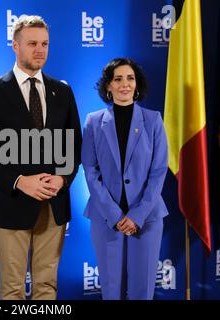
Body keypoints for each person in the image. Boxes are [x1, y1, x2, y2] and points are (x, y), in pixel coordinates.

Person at [0, 15, 82, 300]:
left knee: (47, 287)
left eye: (44, 43)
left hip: (54, 204)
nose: (40, 50)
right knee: (12, 289)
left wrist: (62, 178)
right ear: (15, 46)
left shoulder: (63, 92)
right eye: (32, 43)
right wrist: (19, 181)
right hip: (11, 203)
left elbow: (74, 146)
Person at [81, 58, 168, 300]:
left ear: (137, 85)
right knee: (111, 290)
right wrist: (115, 215)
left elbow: (159, 171)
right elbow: (89, 170)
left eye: (130, 78)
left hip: (147, 219)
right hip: (106, 218)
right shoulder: (93, 122)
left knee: (142, 290)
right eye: (117, 79)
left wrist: (138, 215)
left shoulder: (153, 121)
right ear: (108, 86)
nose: (124, 84)